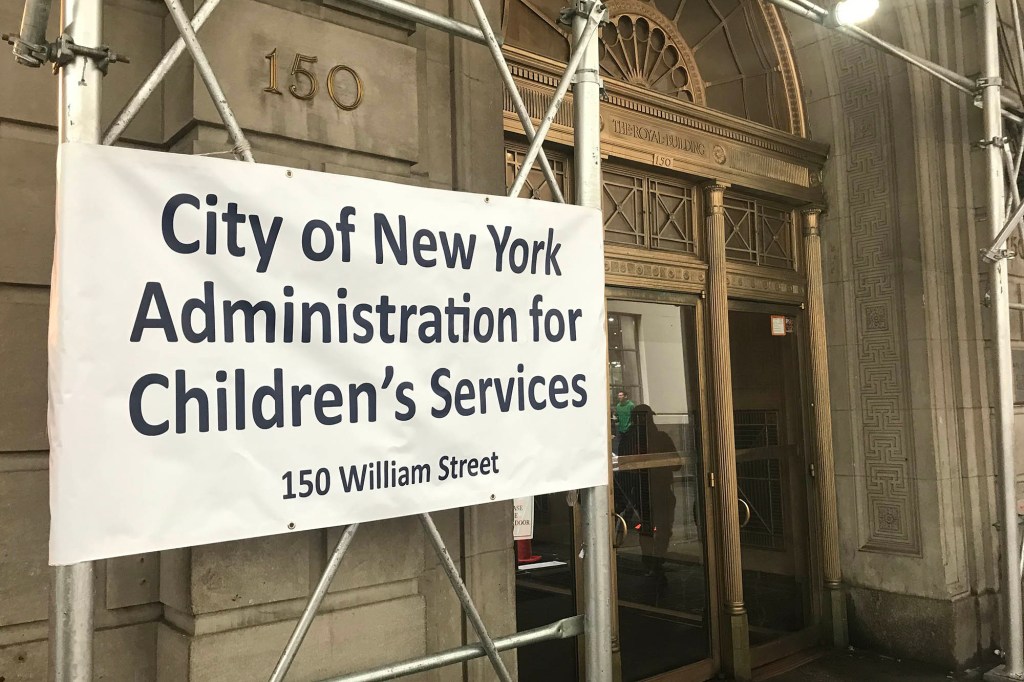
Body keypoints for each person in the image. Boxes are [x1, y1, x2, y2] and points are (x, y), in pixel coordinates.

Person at [611, 390, 635, 455]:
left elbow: (634, 417)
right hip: (621, 429)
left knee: (629, 446)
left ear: (625, 396)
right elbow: (618, 417)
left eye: (621, 395)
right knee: (620, 447)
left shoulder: (631, 405)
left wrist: (631, 426)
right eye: (618, 395)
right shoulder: (618, 406)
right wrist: (615, 419)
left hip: (629, 429)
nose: (619, 397)